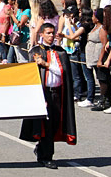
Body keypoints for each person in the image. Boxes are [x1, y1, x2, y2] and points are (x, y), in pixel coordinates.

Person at [19, 23, 77, 169]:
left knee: (56, 124)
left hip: (58, 94)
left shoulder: (61, 52)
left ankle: (41, 149)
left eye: (53, 33)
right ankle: (47, 156)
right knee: (46, 127)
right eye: (48, 33)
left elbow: (63, 72)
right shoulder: (35, 51)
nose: (51, 36)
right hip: (44, 94)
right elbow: (32, 76)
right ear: (42, 35)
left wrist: (47, 65)